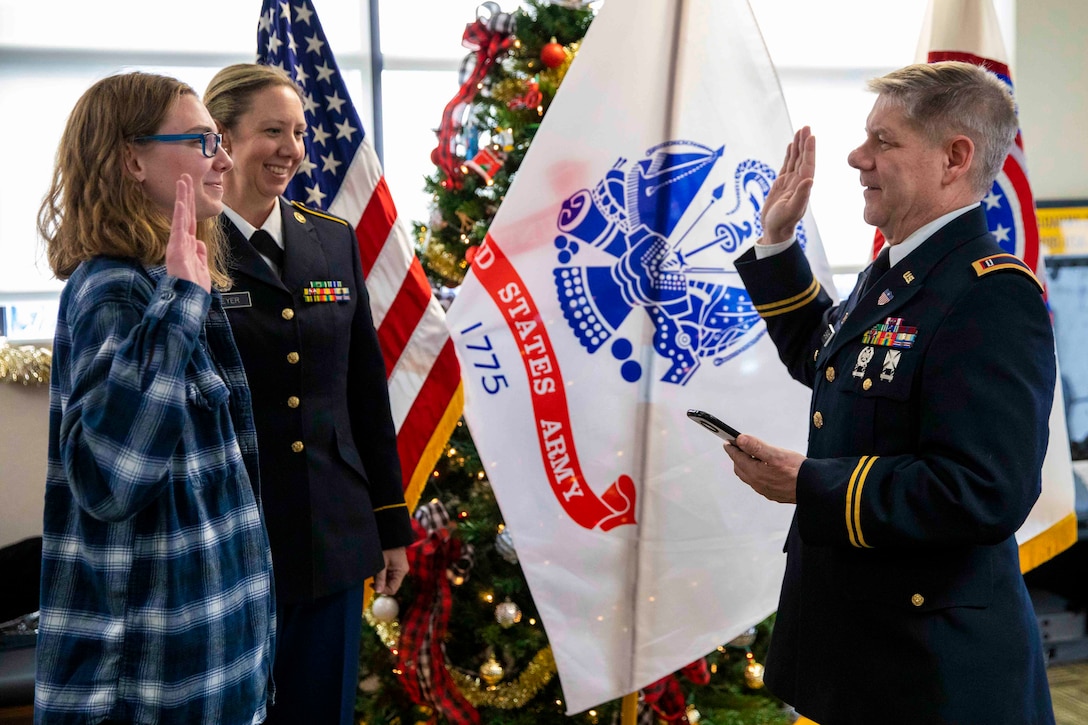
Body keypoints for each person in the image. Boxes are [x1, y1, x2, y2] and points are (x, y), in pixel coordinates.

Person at [725, 61, 1057, 725]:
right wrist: (778, 239)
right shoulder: (899, 266)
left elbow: (985, 490)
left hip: (932, 673)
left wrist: (813, 483)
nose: (857, 157)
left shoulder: (990, 294)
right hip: (860, 653)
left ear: (954, 157)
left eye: (884, 141)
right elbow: (828, 358)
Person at [36, 72, 275, 723]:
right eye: (203, 140)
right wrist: (182, 303)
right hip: (151, 690)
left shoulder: (175, 283)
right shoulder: (112, 292)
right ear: (132, 159)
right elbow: (112, 478)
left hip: (217, 673)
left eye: (221, 139)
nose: (224, 158)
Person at [203, 64, 413, 725]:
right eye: (272, 130)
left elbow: (364, 389)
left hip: (333, 531)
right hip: (231, 538)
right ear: (224, 139)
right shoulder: (183, 248)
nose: (291, 148)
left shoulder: (334, 239)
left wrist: (391, 522)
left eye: (298, 131)